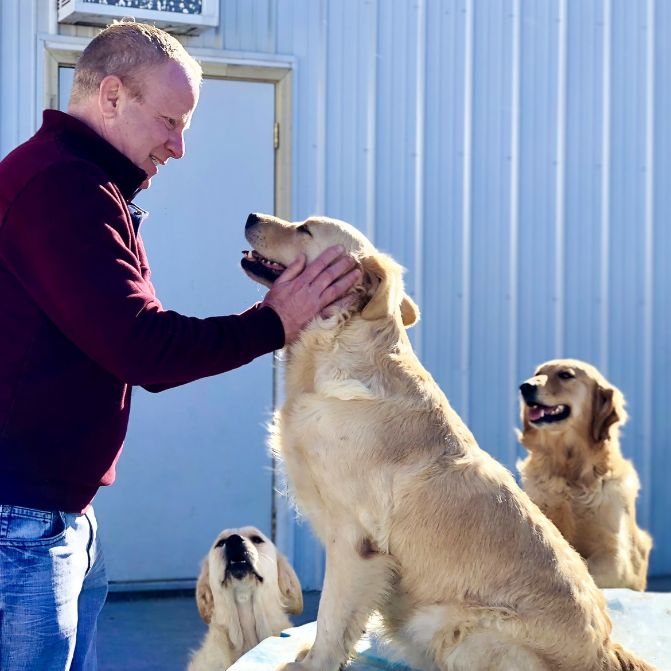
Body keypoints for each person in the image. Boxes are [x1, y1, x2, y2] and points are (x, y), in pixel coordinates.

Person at [0, 21, 360, 671]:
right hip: (19, 522)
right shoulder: (62, 186)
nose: (179, 146)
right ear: (111, 96)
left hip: (52, 513)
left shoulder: (85, 184)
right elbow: (143, 346)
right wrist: (272, 322)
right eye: (171, 121)